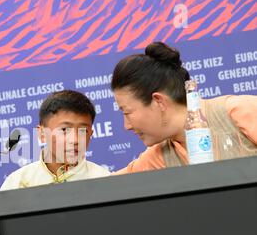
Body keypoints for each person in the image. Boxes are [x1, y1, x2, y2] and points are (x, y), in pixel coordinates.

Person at [110, 42, 257, 174]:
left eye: (127, 112)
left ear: (158, 101)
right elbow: (106, 187)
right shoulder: (155, 158)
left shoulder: (238, 111)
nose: (126, 126)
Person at [0, 90, 110, 190]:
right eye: (64, 130)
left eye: (83, 131)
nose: (75, 140)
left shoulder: (103, 180)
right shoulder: (17, 183)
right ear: (42, 133)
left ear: (91, 134)